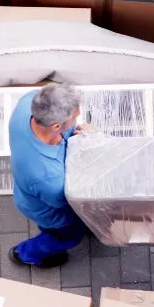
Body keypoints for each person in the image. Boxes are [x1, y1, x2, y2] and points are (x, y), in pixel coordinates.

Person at [8, 83, 91, 268]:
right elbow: (70, 202)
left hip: (27, 192)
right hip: (50, 212)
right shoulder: (51, 180)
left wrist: (77, 133)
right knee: (65, 236)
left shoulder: (28, 103)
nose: (77, 120)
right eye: (74, 118)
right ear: (56, 126)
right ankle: (27, 254)